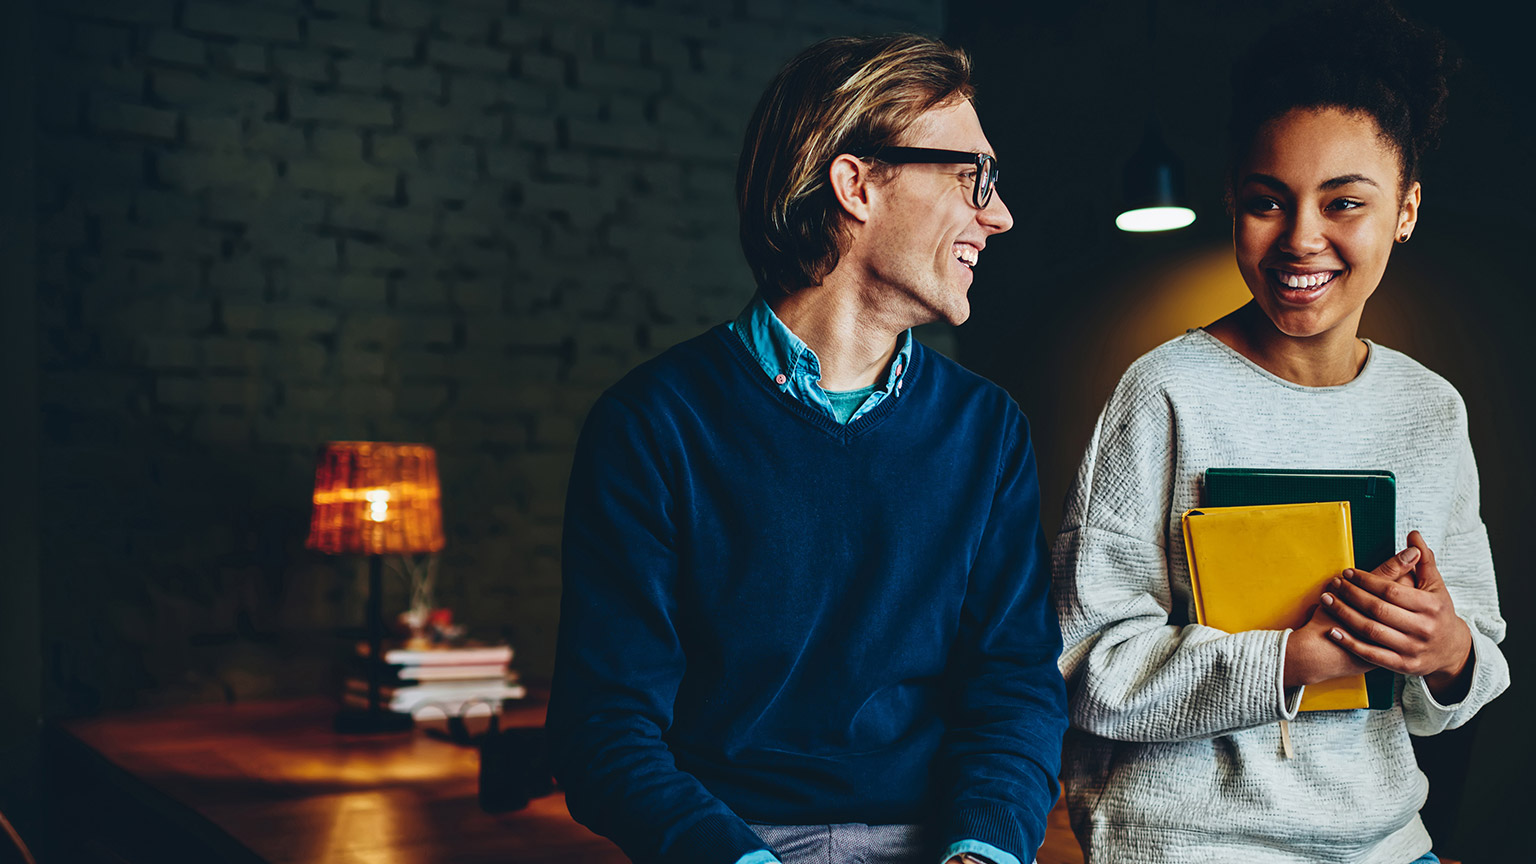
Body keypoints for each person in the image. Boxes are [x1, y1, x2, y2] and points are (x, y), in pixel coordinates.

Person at [547, 33, 1068, 864]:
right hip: (725, 841)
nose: (997, 213)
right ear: (856, 183)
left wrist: (983, 852)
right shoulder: (651, 426)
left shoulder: (987, 429)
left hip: (942, 843)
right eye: (974, 176)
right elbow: (603, 729)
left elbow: (1014, 685)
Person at [1052, 3, 1509, 863]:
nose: (1302, 238)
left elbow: (1473, 656)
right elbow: (1087, 667)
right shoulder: (1164, 394)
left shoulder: (1431, 409)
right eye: (1268, 201)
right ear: (1233, 202)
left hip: (1383, 842)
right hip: (1187, 844)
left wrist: (1446, 650)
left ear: (1405, 210)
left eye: (1345, 202)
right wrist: (1288, 662)